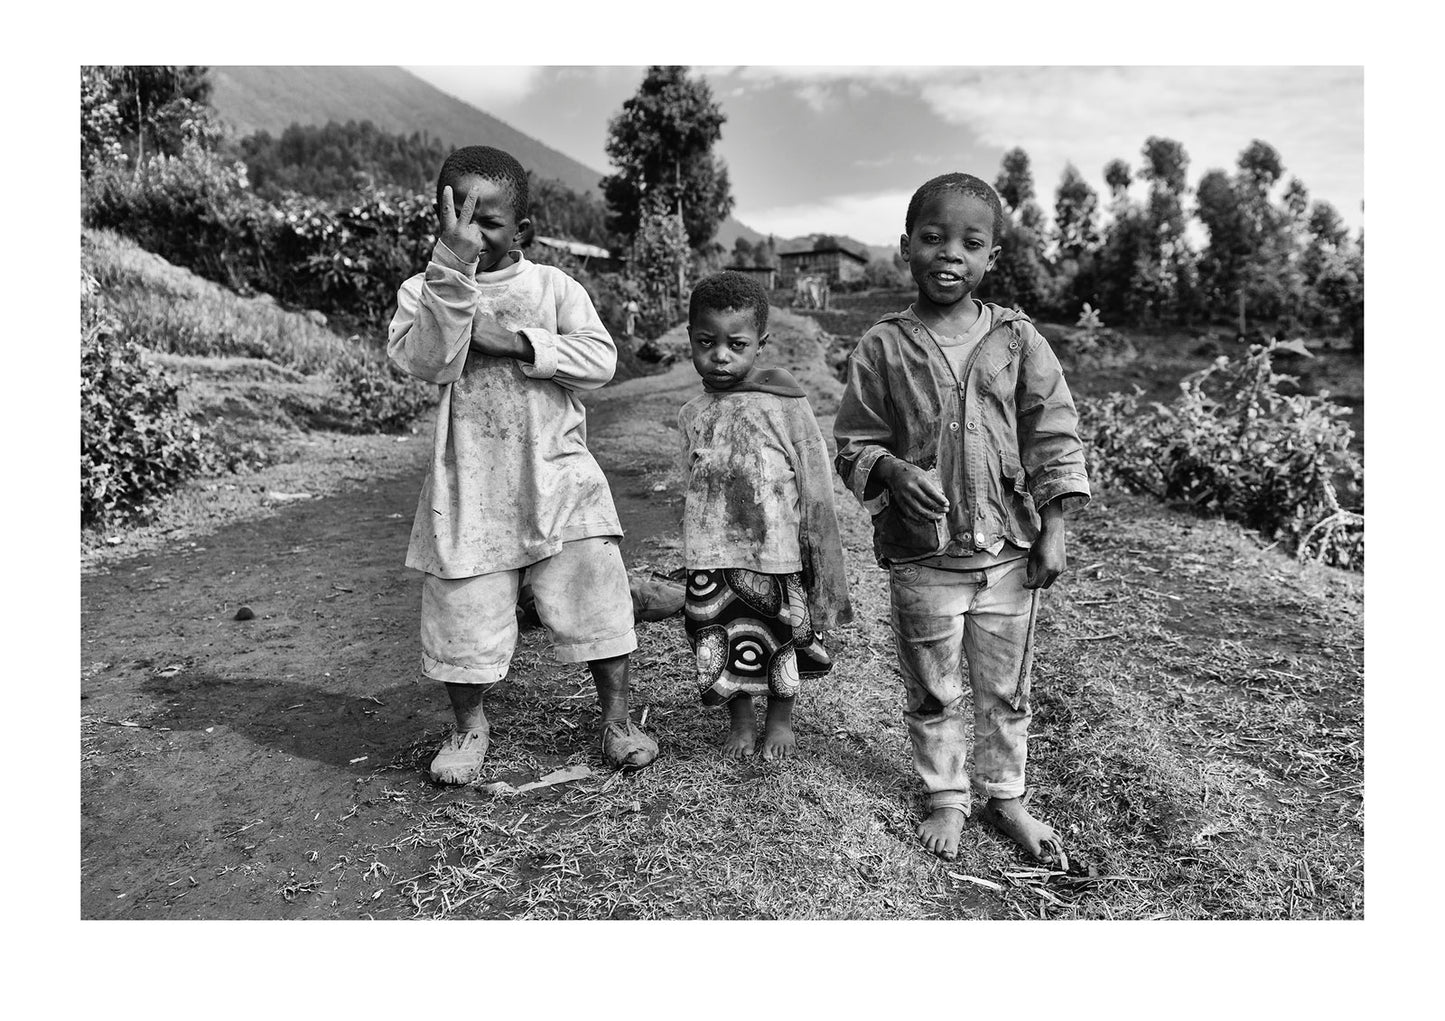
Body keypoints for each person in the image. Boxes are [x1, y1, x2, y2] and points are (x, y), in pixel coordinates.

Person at [833, 173, 1091, 865]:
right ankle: (946, 792)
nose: (949, 253)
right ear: (904, 247)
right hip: (923, 560)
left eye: (969, 242)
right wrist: (889, 470)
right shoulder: (883, 347)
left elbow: (1052, 434)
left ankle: (1006, 796)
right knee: (933, 687)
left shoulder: (1016, 339)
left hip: (1008, 553)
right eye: (932, 237)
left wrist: (1056, 526)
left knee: (1007, 688)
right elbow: (853, 441)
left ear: (991, 258)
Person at [387, 145, 656, 785]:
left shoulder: (554, 288)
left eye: (486, 223)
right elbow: (426, 361)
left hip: (559, 478)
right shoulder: (422, 291)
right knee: (463, 612)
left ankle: (617, 720)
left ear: (523, 231)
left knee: (598, 598)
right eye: (453, 220)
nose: (468, 235)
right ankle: (468, 725)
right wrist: (451, 278)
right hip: (471, 485)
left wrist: (515, 342)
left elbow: (600, 361)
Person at [678, 271, 853, 759]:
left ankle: (778, 720)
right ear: (690, 339)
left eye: (736, 344)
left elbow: (815, 481)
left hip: (774, 550)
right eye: (706, 342)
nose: (720, 355)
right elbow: (690, 482)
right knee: (719, 633)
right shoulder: (692, 412)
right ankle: (740, 720)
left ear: (761, 344)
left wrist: (816, 551)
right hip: (711, 551)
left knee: (777, 635)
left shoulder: (785, 406)